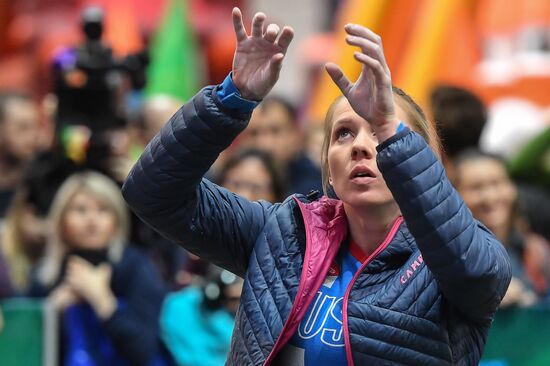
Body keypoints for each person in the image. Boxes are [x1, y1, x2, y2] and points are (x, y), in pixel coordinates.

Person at [122, 7, 511, 366]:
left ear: (419, 155)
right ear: (326, 166)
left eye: (381, 132)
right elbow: (152, 191)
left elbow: (479, 276)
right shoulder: (284, 232)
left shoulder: (458, 253)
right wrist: (231, 101)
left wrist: (393, 131)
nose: (361, 144)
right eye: (344, 133)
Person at [30, 171, 168, 366]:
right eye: (81, 210)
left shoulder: (136, 268)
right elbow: (23, 349)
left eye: (103, 210)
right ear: (61, 222)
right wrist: (52, 311)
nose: (92, 220)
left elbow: (144, 351)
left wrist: (103, 301)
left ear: (116, 221)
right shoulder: (45, 276)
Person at [453, 149, 550, 305]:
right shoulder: (448, 256)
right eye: (476, 188)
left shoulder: (535, 250)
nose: (490, 197)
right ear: (455, 195)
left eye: (497, 183)